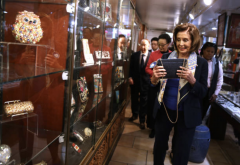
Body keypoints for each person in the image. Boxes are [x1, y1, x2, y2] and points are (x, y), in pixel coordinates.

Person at [151, 23, 208, 165]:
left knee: (181, 152)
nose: (181, 44)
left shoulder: (200, 63)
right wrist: (154, 78)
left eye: (185, 40)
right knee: (159, 148)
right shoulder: (166, 57)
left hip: (187, 114)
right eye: (178, 39)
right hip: (164, 110)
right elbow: (153, 85)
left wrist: (192, 80)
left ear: (193, 41)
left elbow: (203, 92)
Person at [145, 34, 172, 138]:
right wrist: (155, 75)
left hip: (166, 85)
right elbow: (147, 68)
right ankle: (152, 127)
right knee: (152, 106)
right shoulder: (153, 54)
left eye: (163, 45)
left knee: (163, 107)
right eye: (159, 45)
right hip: (155, 84)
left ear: (169, 44)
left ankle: (161, 128)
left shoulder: (172, 55)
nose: (160, 47)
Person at [129, 39, 151, 129]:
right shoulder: (135, 55)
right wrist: (130, 77)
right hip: (135, 82)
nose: (143, 47)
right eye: (141, 45)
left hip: (146, 83)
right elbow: (130, 68)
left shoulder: (151, 56)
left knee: (143, 102)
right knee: (134, 99)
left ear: (148, 45)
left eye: (145, 45)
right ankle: (134, 114)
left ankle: (142, 120)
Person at [200, 42, 223, 120]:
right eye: (208, 51)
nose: (210, 53)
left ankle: (198, 127)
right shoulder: (197, 60)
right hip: (197, 90)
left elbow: (220, 79)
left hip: (209, 92)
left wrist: (216, 93)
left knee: (203, 112)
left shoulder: (217, 63)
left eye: (212, 52)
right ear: (203, 50)